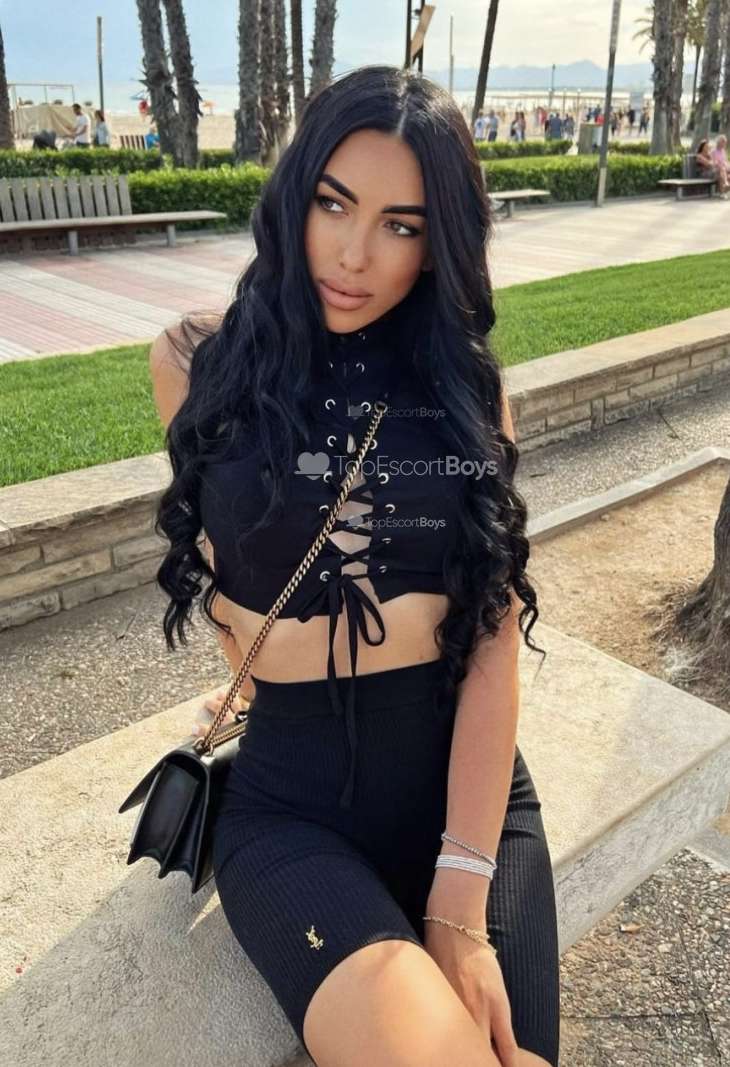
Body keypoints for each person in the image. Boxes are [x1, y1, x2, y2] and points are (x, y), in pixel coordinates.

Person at [148, 66, 559, 1067]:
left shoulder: (464, 394)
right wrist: (247, 681)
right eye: (333, 204)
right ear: (295, 196)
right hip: (291, 812)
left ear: (437, 243)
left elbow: (492, 638)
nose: (353, 253)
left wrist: (459, 896)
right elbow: (232, 560)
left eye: (399, 225)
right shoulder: (194, 365)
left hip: (468, 801)